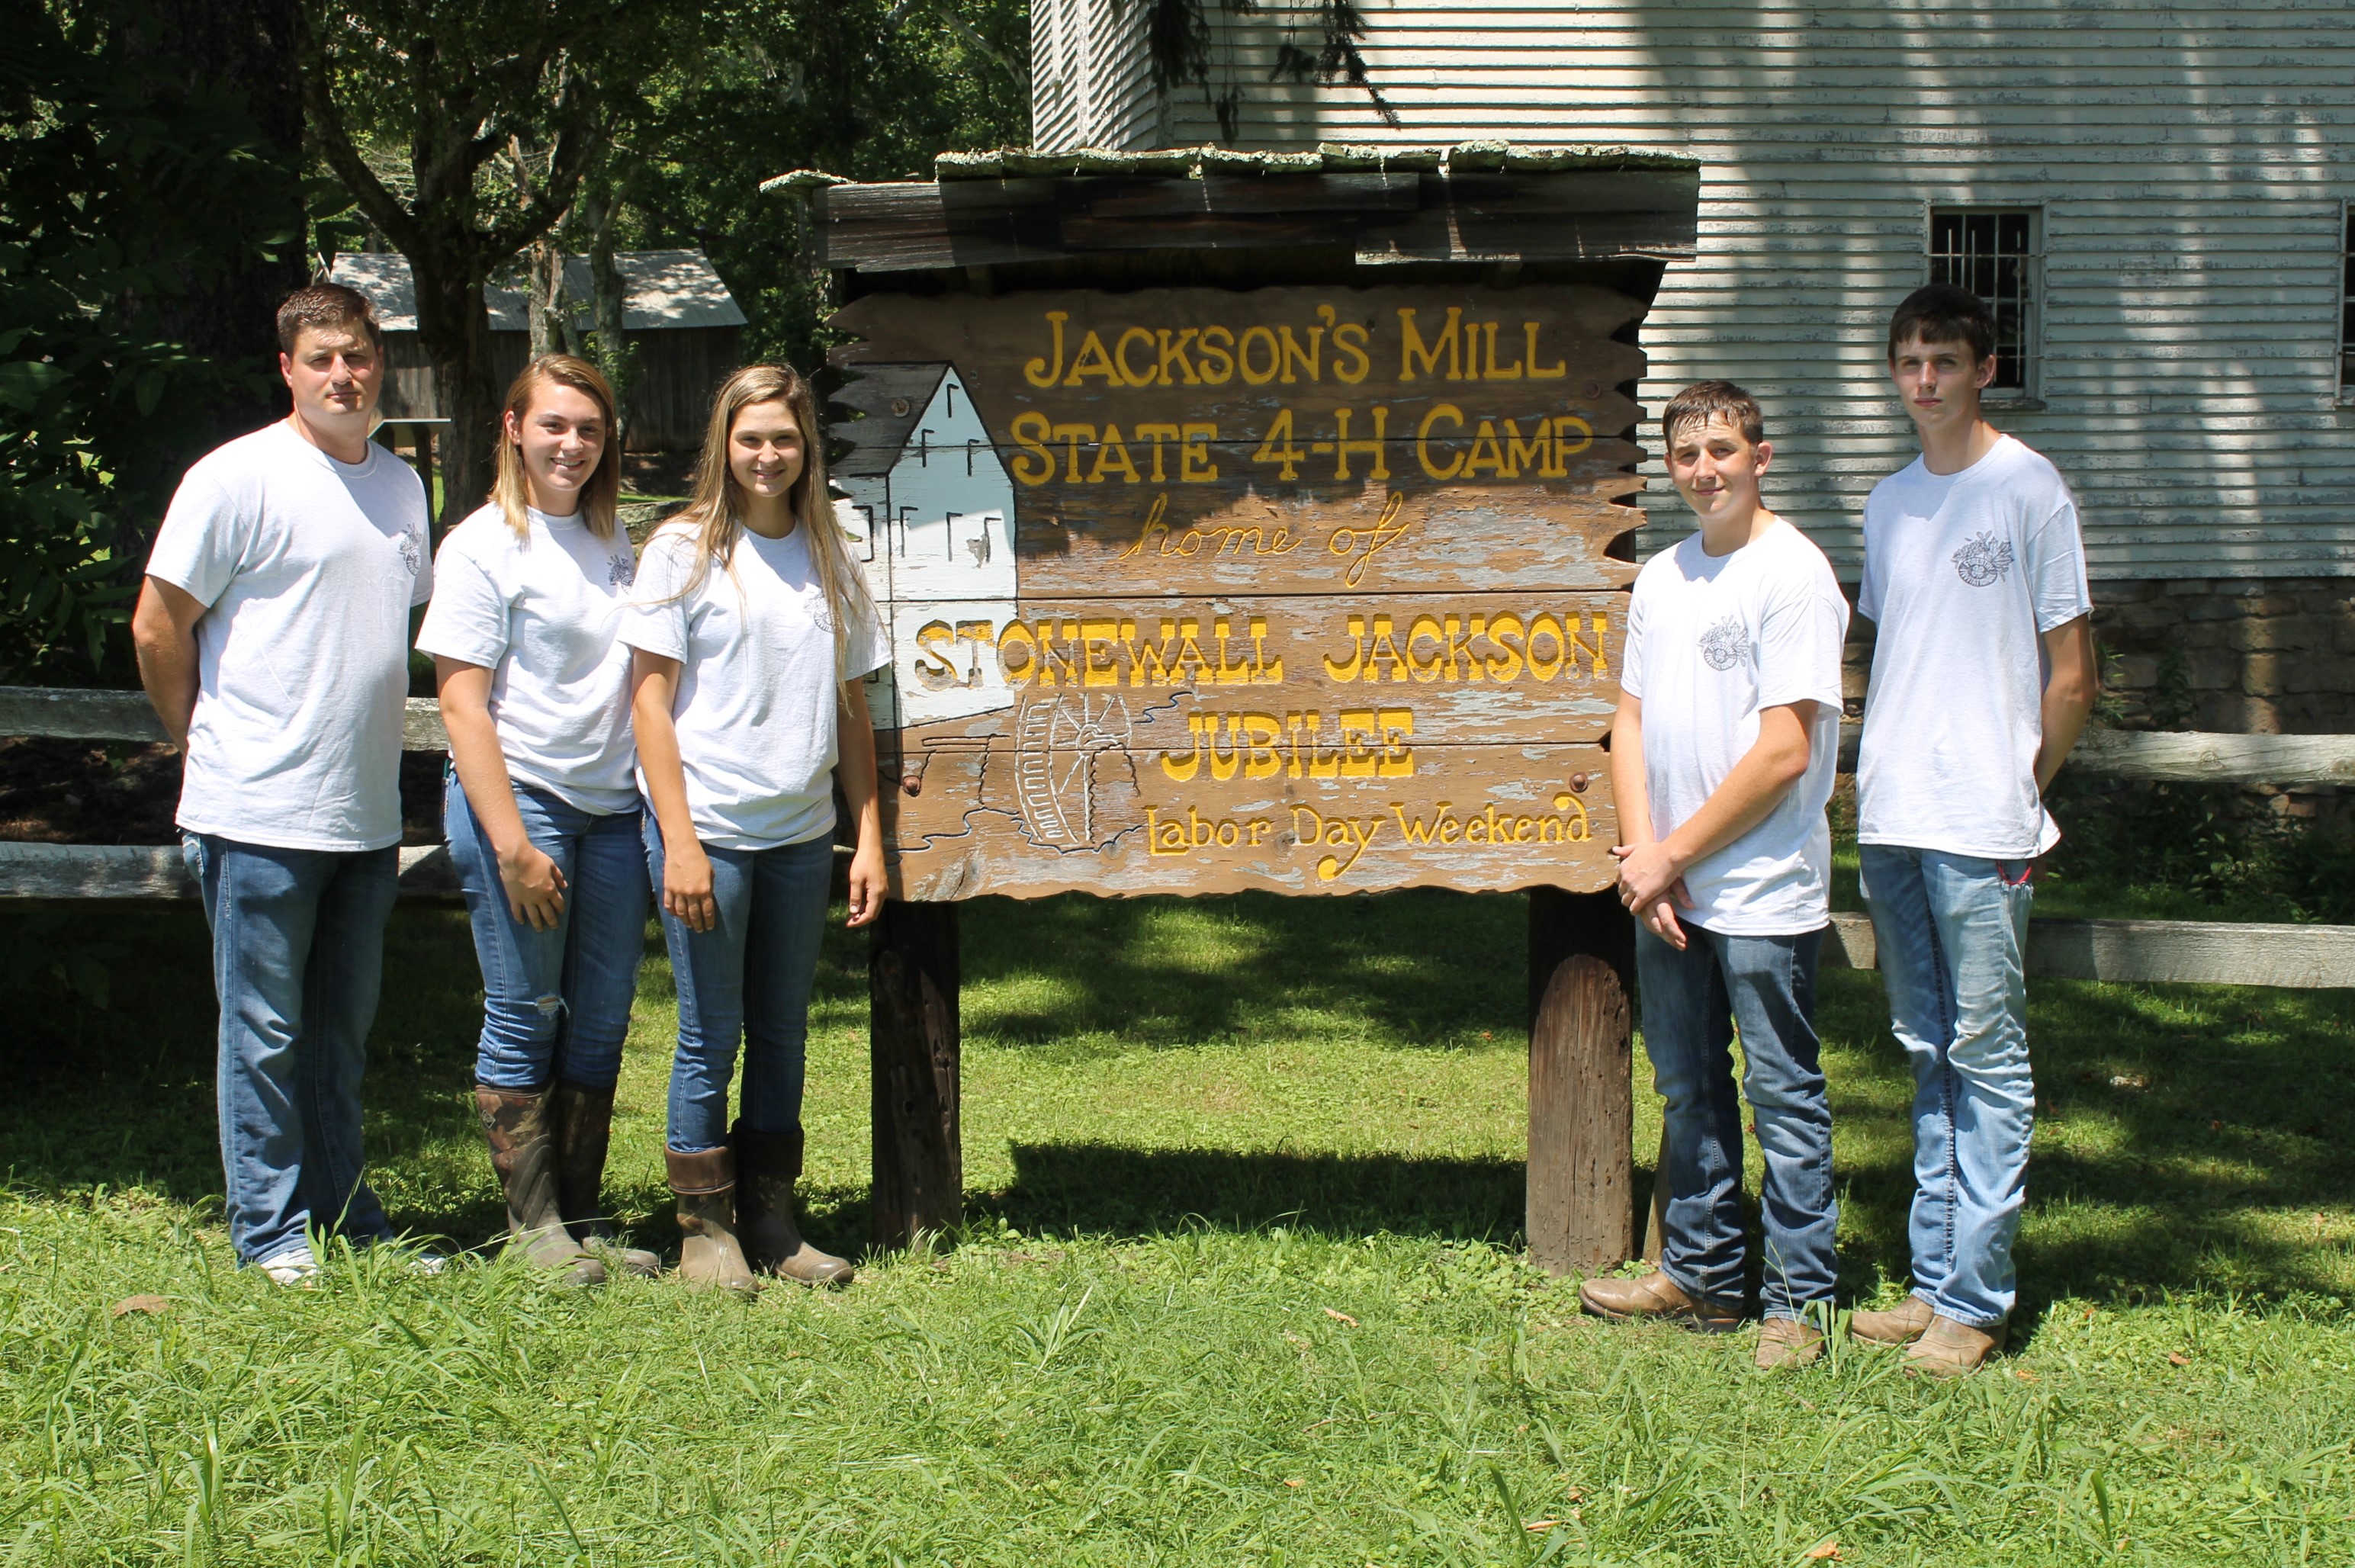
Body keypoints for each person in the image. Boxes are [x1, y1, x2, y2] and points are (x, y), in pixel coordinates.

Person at [131, 283, 434, 1284]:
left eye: (356, 356)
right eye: (320, 359)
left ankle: (345, 1209)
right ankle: (268, 1231)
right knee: (261, 1033)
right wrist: (202, 740)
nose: (342, 375)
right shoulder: (235, 478)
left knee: (339, 1036)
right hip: (256, 808)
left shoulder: (401, 488)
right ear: (287, 370)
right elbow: (157, 623)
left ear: (378, 362)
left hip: (363, 813)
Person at [1846, 284, 2096, 1376]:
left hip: (1982, 823)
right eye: (1909, 363)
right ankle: (1932, 1280)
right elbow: (1889, 651)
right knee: (1925, 1049)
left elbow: (2074, 675)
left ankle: (1978, 1301)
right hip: (1894, 816)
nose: (1926, 382)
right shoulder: (1887, 501)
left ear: (1983, 368)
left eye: (1944, 360)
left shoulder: (2028, 489)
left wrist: (2016, 787)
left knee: (1988, 1059)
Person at [1582, 381, 1851, 1370]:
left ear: (1761, 456)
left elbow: (1784, 750)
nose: (1705, 471)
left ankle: (1797, 1302)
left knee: (1782, 1094)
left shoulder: (1794, 576)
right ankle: (1700, 1273)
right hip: (1671, 884)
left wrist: (1672, 855)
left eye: (1723, 451)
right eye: (1688, 454)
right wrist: (1645, 859)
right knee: (1689, 1087)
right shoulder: (1662, 578)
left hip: (1763, 887)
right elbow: (1632, 723)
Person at [621, 364, 890, 1294]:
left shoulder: (830, 553)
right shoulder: (682, 550)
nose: (767, 455)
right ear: (722, 447)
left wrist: (869, 838)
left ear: (805, 446)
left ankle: (772, 1217)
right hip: (711, 829)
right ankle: (703, 1227)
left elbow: (851, 709)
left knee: (783, 1032)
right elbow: (649, 706)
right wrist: (681, 839)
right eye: (750, 439)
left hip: (798, 832)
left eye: (783, 437)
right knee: (710, 1034)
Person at [416, 355, 657, 1288]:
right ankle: (534, 1227)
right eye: (554, 424)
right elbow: (462, 704)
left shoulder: (616, 543)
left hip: (611, 810)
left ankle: (584, 1213)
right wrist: (511, 843)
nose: (572, 444)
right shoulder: (482, 545)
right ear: (513, 428)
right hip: (524, 804)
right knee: (525, 1014)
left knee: (599, 1021)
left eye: (590, 429)